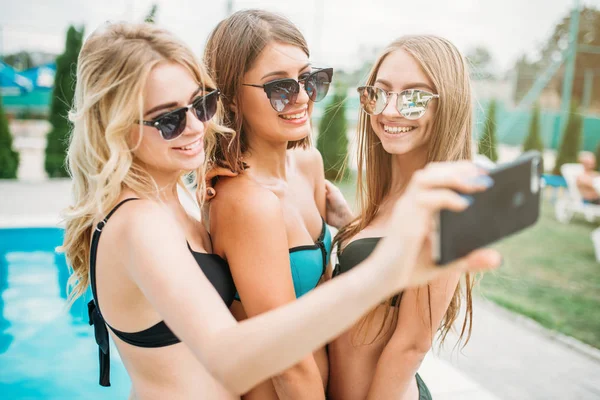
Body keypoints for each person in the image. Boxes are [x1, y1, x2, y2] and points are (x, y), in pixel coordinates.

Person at [63, 22, 500, 400]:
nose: (197, 127)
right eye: (168, 120)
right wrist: (384, 270)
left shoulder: (182, 199)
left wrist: (349, 229)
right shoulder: (142, 223)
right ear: (114, 126)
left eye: (200, 105)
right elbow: (230, 357)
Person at [327, 35, 492, 400]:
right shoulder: (394, 193)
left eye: (415, 97)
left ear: (448, 107)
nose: (390, 111)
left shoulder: (449, 206)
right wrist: (350, 225)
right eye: (380, 92)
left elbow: (411, 347)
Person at [202, 10, 336, 399]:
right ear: (230, 96)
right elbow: (287, 364)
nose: (301, 98)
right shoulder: (244, 201)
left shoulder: (308, 165)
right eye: (279, 88)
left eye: (310, 80)